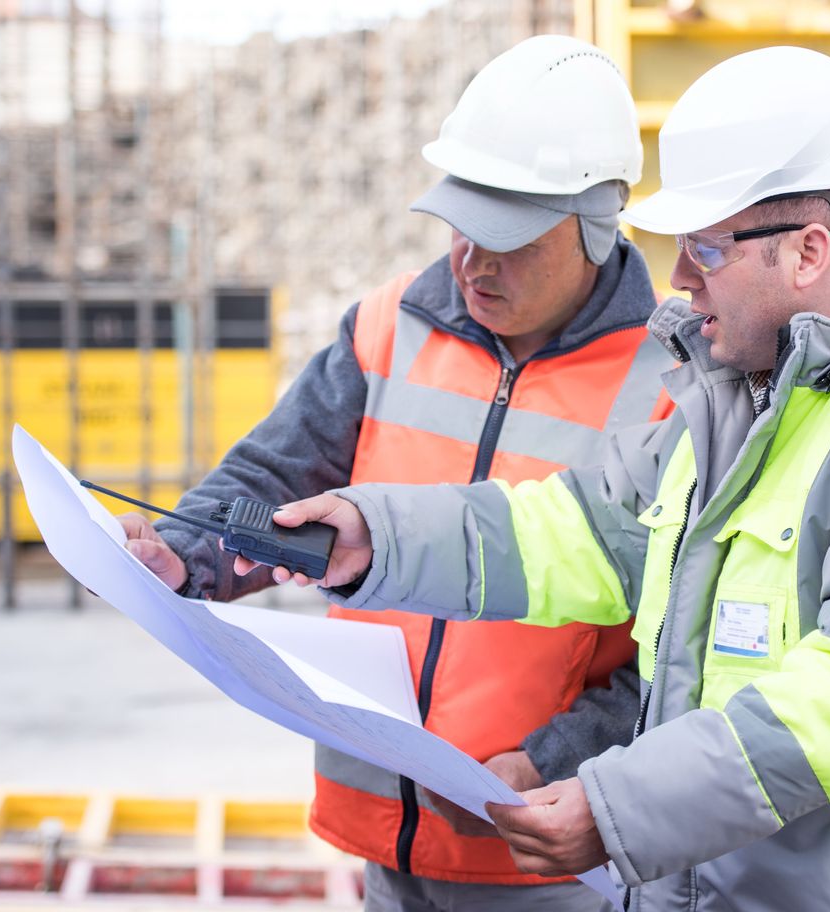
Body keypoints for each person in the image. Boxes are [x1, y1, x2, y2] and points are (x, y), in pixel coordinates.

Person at [257, 47, 830, 911]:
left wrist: (618, 808)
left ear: (808, 253)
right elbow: (576, 530)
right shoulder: (741, 411)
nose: (676, 278)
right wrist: (373, 535)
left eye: (705, 249)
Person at [117, 35, 674, 912]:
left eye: (510, 240)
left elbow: (682, 654)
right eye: (462, 227)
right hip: (386, 845)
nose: (473, 262)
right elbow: (273, 472)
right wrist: (184, 558)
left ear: (599, 221)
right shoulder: (387, 329)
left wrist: (554, 757)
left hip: (551, 861)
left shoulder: (672, 387)